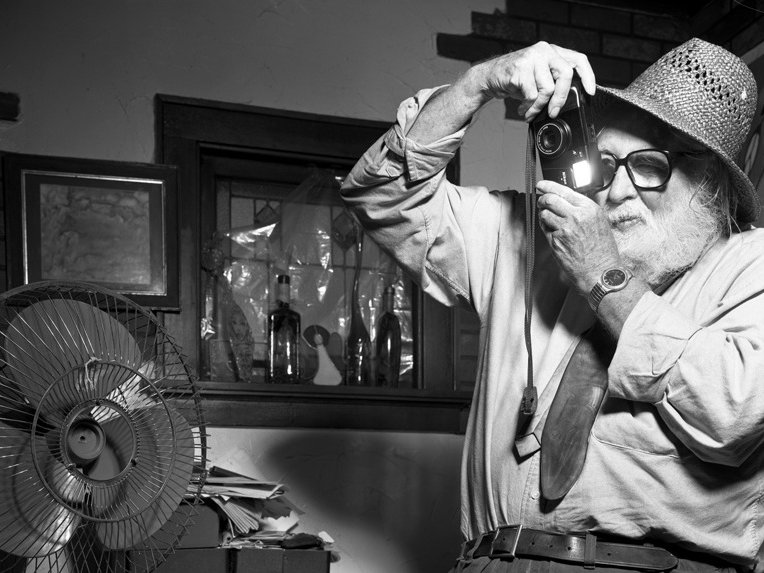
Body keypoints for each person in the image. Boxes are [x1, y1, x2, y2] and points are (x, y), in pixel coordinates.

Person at [341, 38, 764, 571]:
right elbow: (383, 196)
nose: (616, 191)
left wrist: (602, 276)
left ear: (710, 183)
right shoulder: (533, 240)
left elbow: (736, 409)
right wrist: (479, 83)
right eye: (605, 162)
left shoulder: (750, 264)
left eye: (648, 165)